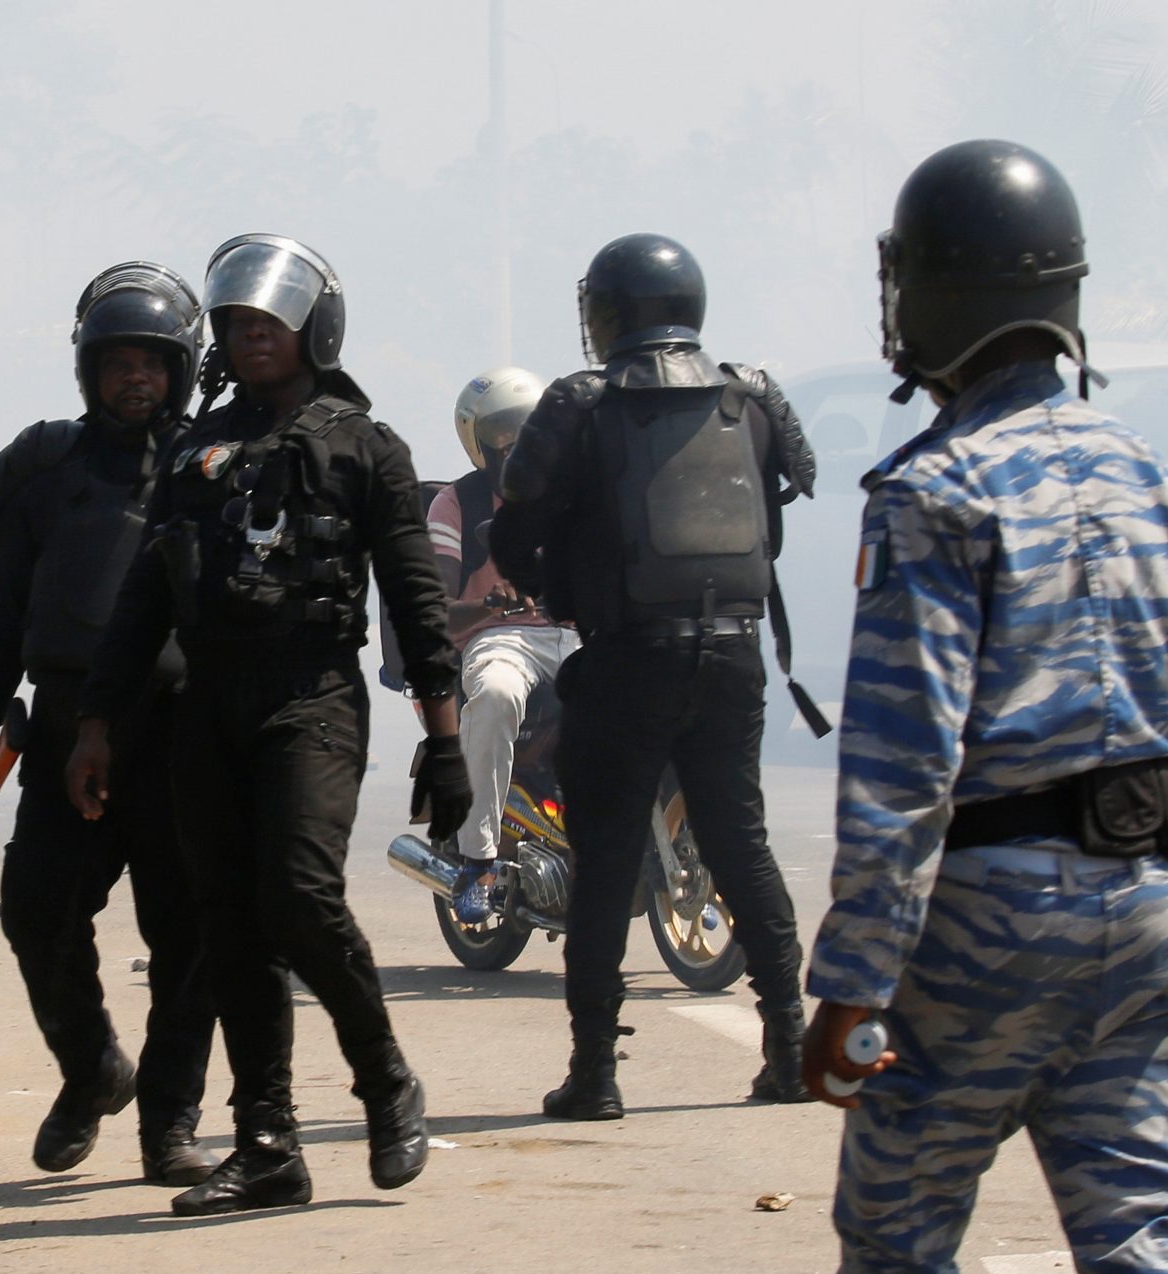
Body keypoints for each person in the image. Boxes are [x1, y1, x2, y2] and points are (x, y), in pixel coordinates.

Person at [738, 141, 1168, 1274]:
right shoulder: (1151, 476)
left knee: (897, 1256)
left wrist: (849, 988)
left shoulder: (937, 492)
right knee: (1146, 1262)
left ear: (932, 299)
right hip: (1147, 910)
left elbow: (902, 767)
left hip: (983, 929)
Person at [67, 233, 468, 1217]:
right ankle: (266, 1143)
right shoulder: (196, 450)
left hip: (311, 696)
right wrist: (95, 727)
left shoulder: (364, 446)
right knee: (230, 925)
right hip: (210, 700)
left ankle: (385, 1084)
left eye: (269, 324)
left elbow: (417, 603)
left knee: (296, 894)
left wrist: (445, 736)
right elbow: (140, 606)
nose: (251, 339)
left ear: (312, 330)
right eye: (238, 325)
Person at [491, 233, 816, 1120]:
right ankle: (790, 1048)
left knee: (604, 865)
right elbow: (781, 511)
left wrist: (559, 577)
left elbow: (512, 527)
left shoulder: (580, 401)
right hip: (733, 653)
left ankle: (595, 1074)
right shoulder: (749, 395)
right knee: (740, 844)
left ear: (606, 314)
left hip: (626, 658)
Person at [0, 263, 217, 1188]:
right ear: (87, 370)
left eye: (152, 363)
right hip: (64, 731)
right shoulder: (45, 470)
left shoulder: (213, 466)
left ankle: (171, 1123)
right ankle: (92, 1069)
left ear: (180, 371)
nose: (134, 379)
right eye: (117, 364)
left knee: (185, 934)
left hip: (182, 732)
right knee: (36, 911)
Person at [427, 367, 578, 924]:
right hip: (503, 639)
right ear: (478, 441)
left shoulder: (573, 493)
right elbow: (436, 609)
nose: (516, 443)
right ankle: (479, 859)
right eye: (502, 432)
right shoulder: (456, 504)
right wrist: (490, 607)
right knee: (493, 694)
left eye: (527, 427)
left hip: (579, 630)